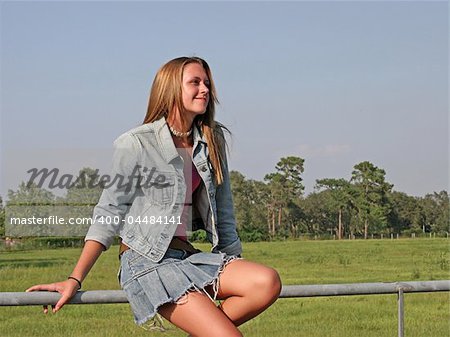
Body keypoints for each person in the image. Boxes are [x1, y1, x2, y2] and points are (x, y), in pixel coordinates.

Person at [27, 56, 282, 337]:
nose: (205, 89)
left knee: (266, 281)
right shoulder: (136, 143)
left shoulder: (211, 139)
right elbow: (109, 212)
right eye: (195, 82)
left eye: (207, 83)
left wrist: (233, 264)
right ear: (171, 88)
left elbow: (224, 211)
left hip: (187, 257)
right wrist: (74, 279)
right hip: (146, 261)